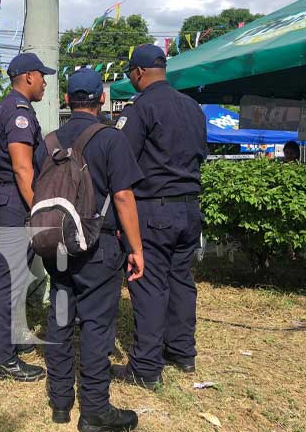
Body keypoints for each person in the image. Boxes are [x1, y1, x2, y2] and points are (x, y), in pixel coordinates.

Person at [35, 69, 145, 431]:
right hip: (98, 249)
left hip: (57, 248)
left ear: (67, 99)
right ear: (101, 99)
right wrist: (136, 248)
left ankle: (61, 402)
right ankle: (96, 410)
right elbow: (124, 197)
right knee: (97, 325)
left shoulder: (47, 142)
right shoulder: (110, 139)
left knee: (61, 317)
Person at [112, 44, 207, 389]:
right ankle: (182, 353)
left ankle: (146, 368)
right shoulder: (193, 108)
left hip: (154, 208)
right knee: (181, 280)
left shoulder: (140, 109)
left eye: (129, 74)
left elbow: (120, 161)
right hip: (190, 206)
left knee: (149, 284)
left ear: (137, 73)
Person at [0, 52, 55, 381]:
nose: (44, 82)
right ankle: (3, 360)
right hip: (15, 201)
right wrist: (38, 211)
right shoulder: (19, 112)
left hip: (8, 199)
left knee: (13, 278)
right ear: (28, 76)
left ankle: (10, 343)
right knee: (8, 280)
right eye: (42, 76)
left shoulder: (5, 107)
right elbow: (22, 167)